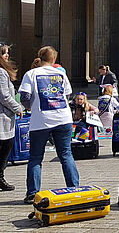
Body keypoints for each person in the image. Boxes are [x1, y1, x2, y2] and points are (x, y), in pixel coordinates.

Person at [18, 46, 83, 204]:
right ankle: (74, 187)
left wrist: (31, 107)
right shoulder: (60, 74)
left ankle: (33, 193)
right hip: (63, 118)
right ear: (54, 59)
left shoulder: (31, 74)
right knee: (66, 154)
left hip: (41, 120)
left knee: (35, 158)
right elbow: (68, 94)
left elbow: (24, 96)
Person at [0, 44, 24, 191]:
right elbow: (4, 96)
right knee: (4, 148)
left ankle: (0, 177)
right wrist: (18, 108)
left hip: (5, 117)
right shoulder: (1, 72)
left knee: (6, 147)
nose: (7, 56)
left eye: (7, 53)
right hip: (2, 117)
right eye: (4, 53)